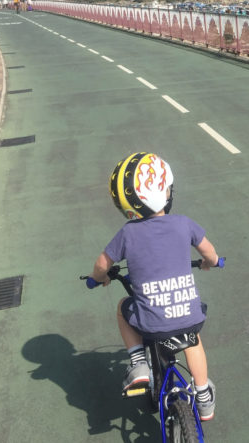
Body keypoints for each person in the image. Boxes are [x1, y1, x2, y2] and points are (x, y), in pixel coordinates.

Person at [88, 152, 219, 421]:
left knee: (123, 307)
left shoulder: (128, 233)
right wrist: (211, 262)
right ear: (166, 192)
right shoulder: (184, 223)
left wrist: (98, 278)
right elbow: (210, 252)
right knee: (193, 341)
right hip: (187, 315)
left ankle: (139, 364)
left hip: (151, 322)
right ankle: (203, 396)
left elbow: (102, 264)